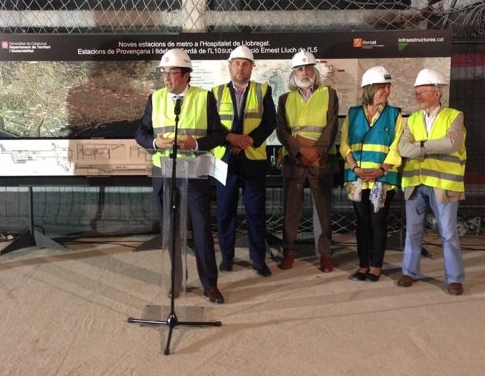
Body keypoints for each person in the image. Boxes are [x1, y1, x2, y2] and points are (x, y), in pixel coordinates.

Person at [135, 48, 227, 303]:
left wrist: (195, 144)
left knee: (200, 230)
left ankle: (210, 284)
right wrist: (155, 142)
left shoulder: (204, 98)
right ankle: (175, 282)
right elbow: (140, 134)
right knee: (170, 232)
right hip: (164, 174)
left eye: (172, 73)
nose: (166, 78)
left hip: (194, 175)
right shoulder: (155, 99)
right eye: (164, 73)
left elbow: (218, 134)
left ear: (186, 75)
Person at [398, 68, 467, 295]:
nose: (417, 95)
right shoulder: (413, 118)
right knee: (413, 231)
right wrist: (426, 147)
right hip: (415, 184)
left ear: (437, 92)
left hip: (442, 184)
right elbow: (403, 147)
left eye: (422, 90)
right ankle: (409, 272)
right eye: (416, 90)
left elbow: (451, 144)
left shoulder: (454, 116)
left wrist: (421, 146)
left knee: (448, 233)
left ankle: (454, 278)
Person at [212, 46, 277, 277]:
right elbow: (213, 126)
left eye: (245, 63)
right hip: (225, 159)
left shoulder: (263, 90)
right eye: (237, 63)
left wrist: (248, 141)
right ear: (229, 66)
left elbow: (270, 122)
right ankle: (227, 258)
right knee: (225, 212)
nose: (241, 67)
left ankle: (258, 260)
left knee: (255, 212)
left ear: (252, 67)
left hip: (253, 160)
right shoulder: (216, 92)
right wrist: (232, 140)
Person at [276, 50, 338, 271]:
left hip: (319, 161)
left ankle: (325, 254)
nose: (305, 72)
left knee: (322, 209)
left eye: (309, 68)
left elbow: (331, 128)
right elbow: (282, 131)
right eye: (300, 69)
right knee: (291, 210)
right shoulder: (285, 99)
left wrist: (317, 152)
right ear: (293, 73)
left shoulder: (329, 95)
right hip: (295, 160)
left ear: (315, 71)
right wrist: (301, 150)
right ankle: (289, 252)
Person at [339, 66, 403, 282]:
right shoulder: (353, 113)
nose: (386, 90)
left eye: (388, 86)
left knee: (378, 222)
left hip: (382, 179)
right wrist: (355, 168)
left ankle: (376, 265)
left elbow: (396, 146)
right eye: (381, 87)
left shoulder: (394, 115)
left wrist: (381, 169)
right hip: (357, 179)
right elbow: (344, 144)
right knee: (362, 221)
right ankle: (363, 264)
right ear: (369, 88)